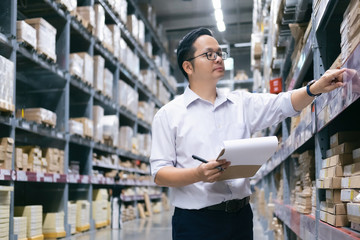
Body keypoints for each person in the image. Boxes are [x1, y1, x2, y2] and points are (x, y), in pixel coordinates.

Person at [150, 27, 345, 240]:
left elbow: (282, 103)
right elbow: (160, 173)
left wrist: (314, 88)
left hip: (240, 218)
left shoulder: (240, 103)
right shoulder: (168, 115)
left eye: (219, 53)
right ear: (188, 66)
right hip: (196, 223)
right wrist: (198, 174)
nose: (218, 59)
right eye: (209, 54)